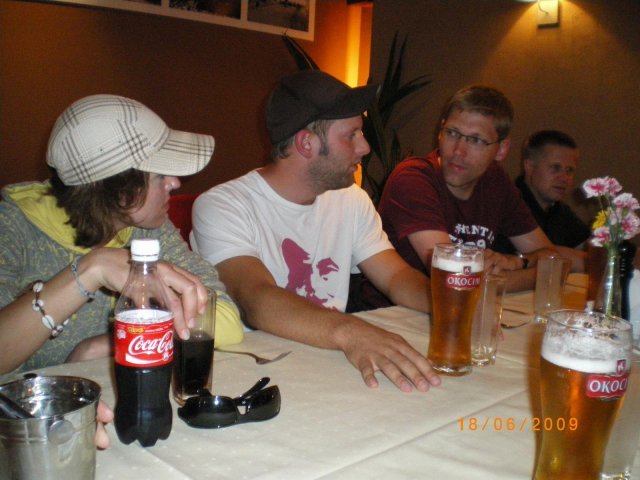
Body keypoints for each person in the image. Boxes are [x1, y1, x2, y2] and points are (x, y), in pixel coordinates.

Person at [192, 70, 441, 393]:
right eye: (351, 135)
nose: (365, 147)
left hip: (329, 362)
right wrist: (353, 332)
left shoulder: (351, 199)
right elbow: (256, 299)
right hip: (256, 376)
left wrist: (453, 308)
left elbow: (395, 277)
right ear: (306, 143)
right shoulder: (222, 205)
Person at [0, 94, 244, 380]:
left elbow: (224, 319)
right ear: (115, 187)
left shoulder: (147, 227)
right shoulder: (11, 227)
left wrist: (109, 344)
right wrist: (92, 269)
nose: (175, 182)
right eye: (159, 175)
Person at [377, 85, 581, 294]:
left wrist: (519, 262)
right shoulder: (413, 178)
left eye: (475, 140)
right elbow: (455, 280)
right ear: (440, 131)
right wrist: (540, 275)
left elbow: (551, 258)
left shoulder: (495, 181)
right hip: (396, 310)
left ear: (501, 149)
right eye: (452, 133)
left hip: (469, 307)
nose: (458, 151)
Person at [492, 130, 591, 254]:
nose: (564, 178)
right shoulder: (507, 204)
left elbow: (589, 248)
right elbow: (539, 255)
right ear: (529, 167)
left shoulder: (559, 210)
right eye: (555, 168)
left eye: (569, 170)